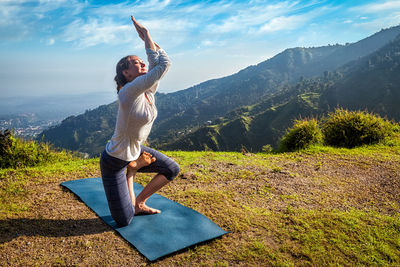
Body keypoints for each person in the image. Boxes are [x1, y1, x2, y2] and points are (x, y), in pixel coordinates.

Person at [100, 15, 180, 227]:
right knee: (124, 220)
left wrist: (146, 37)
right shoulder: (128, 92)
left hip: (135, 150)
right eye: (136, 63)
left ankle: (140, 202)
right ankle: (132, 171)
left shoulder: (147, 90)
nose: (142, 62)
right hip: (115, 161)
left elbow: (155, 62)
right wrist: (146, 35)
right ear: (126, 73)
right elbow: (164, 64)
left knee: (172, 169)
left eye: (141, 60)